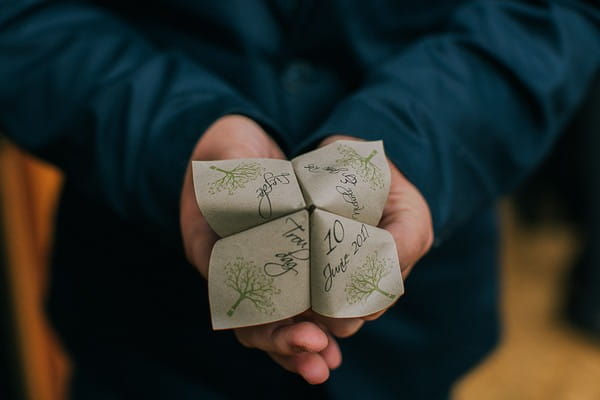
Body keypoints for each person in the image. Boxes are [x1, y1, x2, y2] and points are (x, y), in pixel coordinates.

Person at [0, 1, 598, 399]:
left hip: (412, 331)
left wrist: (414, 143)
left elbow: (550, 13)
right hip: (140, 314)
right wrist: (178, 133)